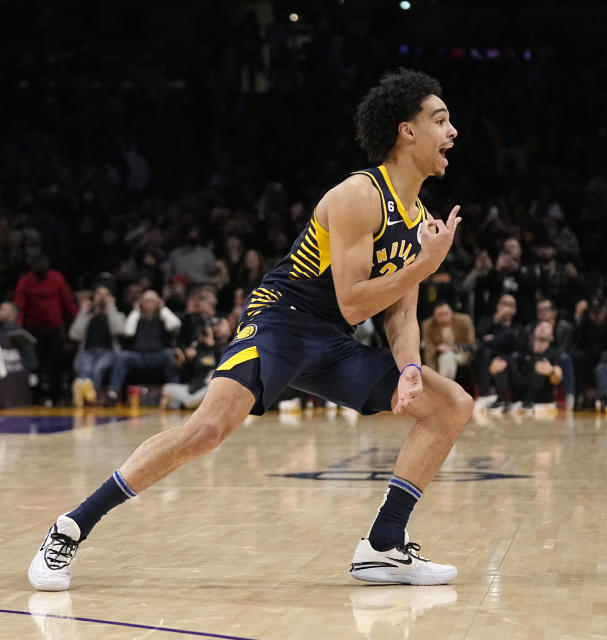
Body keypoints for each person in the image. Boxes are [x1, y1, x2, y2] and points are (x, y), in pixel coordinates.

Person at [29, 69, 472, 591]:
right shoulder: (358, 194)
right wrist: (426, 263)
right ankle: (71, 527)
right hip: (282, 317)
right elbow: (354, 301)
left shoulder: (418, 217)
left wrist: (412, 368)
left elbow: (400, 313)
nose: (453, 132)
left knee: (452, 404)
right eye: (440, 120)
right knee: (206, 431)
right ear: (407, 131)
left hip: (330, 337)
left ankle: (382, 545)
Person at [13, 254, 77, 405]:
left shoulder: (57, 278)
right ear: (33, 268)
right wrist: (18, 329)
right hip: (34, 330)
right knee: (37, 364)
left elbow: (67, 302)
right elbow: (20, 307)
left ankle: (56, 396)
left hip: (55, 329)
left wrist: (75, 320)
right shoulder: (26, 281)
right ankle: (37, 396)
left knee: (56, 363)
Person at [68, 286, 126, 407]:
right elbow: (74, 335)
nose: (101, 297)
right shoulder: (89, 317)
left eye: (105, 295)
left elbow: (119, 330)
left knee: (97, 369)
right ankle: (83, 396)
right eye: (98, 294)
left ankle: (89, 397)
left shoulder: (116, 315)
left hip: (108, 352)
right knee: (86, 369)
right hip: (88, 351)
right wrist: (83, 312)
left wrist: (110, 307)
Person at [489, 321, 563, 412]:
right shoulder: (524, 350)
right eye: (540, 326)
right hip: (521, 390)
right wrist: (497, 366)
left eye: (547, 327)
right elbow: (501, 367)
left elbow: (558, 377)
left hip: (540, 394)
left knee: (541, 366)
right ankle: (501, 400)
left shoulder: (555, 354)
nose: (543, 328)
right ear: (534, 332)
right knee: (503, 362)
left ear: (552, 337)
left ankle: (528, 402)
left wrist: (551, 371)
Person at [421, 300, 475, 383]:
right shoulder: (428, 325)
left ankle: (443, 386)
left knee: (447, 356)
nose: (443, 317)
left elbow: (470, 344)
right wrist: (437, 348)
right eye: (439, 315)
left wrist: (451, 348)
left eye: (446, 314)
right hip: (440, 356)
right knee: (447, 357)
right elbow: (428, 349)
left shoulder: (464, 321)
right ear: (434, 316)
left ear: (451, 313)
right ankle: (446, 385)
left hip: (462, 353)